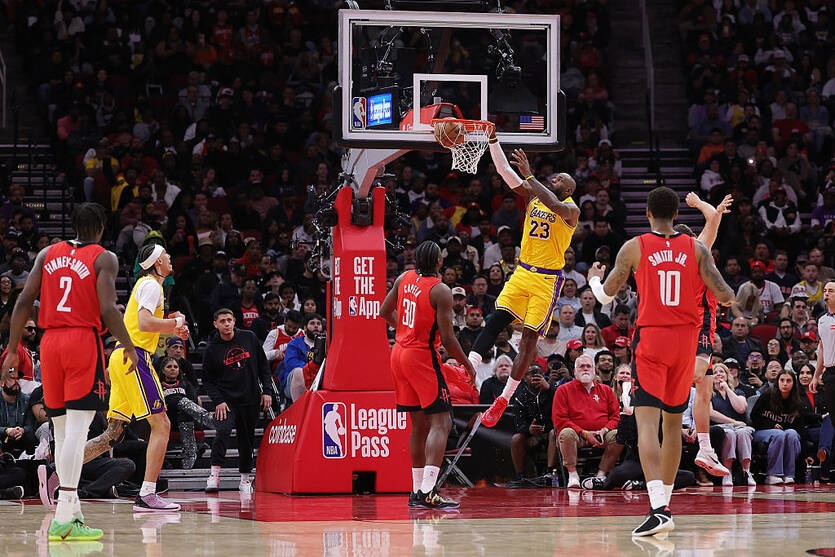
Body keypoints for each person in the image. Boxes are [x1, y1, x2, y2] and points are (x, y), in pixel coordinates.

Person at [587, 186, 734, 536]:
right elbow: (726, 295)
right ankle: (665, 506)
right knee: (672, 426)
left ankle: (658, 509)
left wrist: (593, 277)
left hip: (652, 340)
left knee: (646, 425)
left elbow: (605, 296)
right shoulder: (696, 249)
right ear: (677, 215)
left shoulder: (634, 247)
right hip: (686, 343)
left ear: (648, 214)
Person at [1, 203, 139, 541]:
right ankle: (63, 514)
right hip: (81, 342)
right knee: (78, 431)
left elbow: (23, 301)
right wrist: (129, 345)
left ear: (74, 225)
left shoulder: (46, 254)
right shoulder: (104, 258)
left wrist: (12, 348)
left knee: (62, 433)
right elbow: (108, 308)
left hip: (49, 343)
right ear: (101, 227)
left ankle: (73, 513)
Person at [467, 141, 579, 429]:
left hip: (546, 280)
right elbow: (505, 172)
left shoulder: (571, 208)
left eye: (560, 179)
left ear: (568, 189)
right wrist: (493, 142)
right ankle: (467, 366)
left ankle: (504, 398)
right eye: (554, 177)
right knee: (496, 319)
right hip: (522, 271)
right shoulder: (533, 195)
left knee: (529, 337)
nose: (554, 179)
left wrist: (529, 175)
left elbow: (554, 204)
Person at [86, 242, 188, 512]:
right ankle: (147, 494)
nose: (170, 257)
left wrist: (172, 327)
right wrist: (176, 324)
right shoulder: (152, 285)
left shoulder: (147, 286)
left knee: (113, 434)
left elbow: (144, 325)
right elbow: (144, 323)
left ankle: (58, 470)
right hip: (135, 358)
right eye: (166, 255)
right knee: (162, 424)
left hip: (122, 357)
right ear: (157, 262)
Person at [380, 240, 476, 509]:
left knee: (419, 425)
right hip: (421, 356)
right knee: (441, 422)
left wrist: (405, 331)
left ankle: (416, 491)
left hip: (399, 353)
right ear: (439, 262)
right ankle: (429, 491)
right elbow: (448, 339)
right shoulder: (440, 290)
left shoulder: (404, 277)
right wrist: (467, 365)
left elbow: (384, 311)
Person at [673, 192, 733, 479]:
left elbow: (714, 221)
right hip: (697, 325)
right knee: (696, 375)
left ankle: (705, 449)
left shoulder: (673, 260)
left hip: (685, 325)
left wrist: (714, 212)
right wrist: (699, 204)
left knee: (705, 391)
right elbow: (712, 220)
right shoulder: (695, 251)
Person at [202, 308, 273, 494]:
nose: (226, 324)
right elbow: (207, 380)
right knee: (222, 431)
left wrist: (267, 391)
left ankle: (245, 479)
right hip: (226, 401)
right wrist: (218, 401)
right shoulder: (211, 349)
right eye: (222, 321)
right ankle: (214, 475)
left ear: (234, 321)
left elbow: (264, 367)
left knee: (246, 439)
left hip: (250, 397)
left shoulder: (249, 337)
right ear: (215, 324)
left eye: (229, 320)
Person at [552, 354, 622, 488]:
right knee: (566, 433)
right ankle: (573, 474)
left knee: (618, 435)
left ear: (594, 370)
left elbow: (615, 417)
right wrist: (584, 433)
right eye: (581, 366)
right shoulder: (563, 390)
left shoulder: (606, 390)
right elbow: (560, 420)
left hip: (601, 435)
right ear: (574, 371)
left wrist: (604, 430)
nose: (585, 369)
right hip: (577, 436)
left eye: (588, 366)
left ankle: (601, 474)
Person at [750, 370, 809, 485]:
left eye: (788, 381)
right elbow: (754, 417)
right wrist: (771, 425)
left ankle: (789, 474)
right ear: (777, 382)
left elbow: (801, 429)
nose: (785, 383)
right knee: (779, 434)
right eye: (782, 380)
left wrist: (806, 454)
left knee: (792, 434)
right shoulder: (767, 395)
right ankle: (773, 474)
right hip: (762, 431)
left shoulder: (798, 402)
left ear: (794, 383)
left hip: (785, 433)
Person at [708, 363, 756, 486]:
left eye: (722, 372)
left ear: (727, 375)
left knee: (743, 433)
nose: (718, 374)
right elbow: (711, 413)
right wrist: (732, 422)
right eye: (715, 372)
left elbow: (741, 408)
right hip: (721, 427)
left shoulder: (738, 392)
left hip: (740, 427)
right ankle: (727, 471)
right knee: (729, 434)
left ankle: (747, 471)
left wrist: (728, 389)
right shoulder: (709, 393)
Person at [508, 362, 556, 485]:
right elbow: (518, 424)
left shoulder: (552, 390)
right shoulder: (519, 396)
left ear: (544, 376)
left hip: (551, 431)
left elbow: (563, 404)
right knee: (516, 438)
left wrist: (549, 388)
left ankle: (550, 472)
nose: (535, 376)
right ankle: (520, 476)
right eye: (531, 374)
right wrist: (529, 430)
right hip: (531, 435)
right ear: (524, 378)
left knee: (553, 433)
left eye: (538, 373)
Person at [811, 280, 835, 473]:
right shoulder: (822, 320)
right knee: (833, 419)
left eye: (831, 291)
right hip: (830, 374)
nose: (826, 293)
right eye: (825, 290)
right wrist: (816, 375)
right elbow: (822, 348)